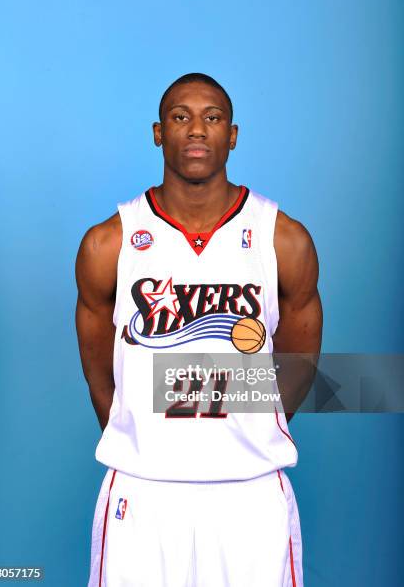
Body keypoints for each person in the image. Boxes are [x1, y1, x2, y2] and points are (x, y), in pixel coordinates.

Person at [75, 72, 323, 587]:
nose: (196, 130)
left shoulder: (284, 240)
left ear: (232, 135)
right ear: (158, 132)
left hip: (251, 491)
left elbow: (298, 370)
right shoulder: (108, 243)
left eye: (212, 118)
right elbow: (101, 371)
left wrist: (246, 427)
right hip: (142, 492)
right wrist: (141, 432)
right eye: (180, 117)